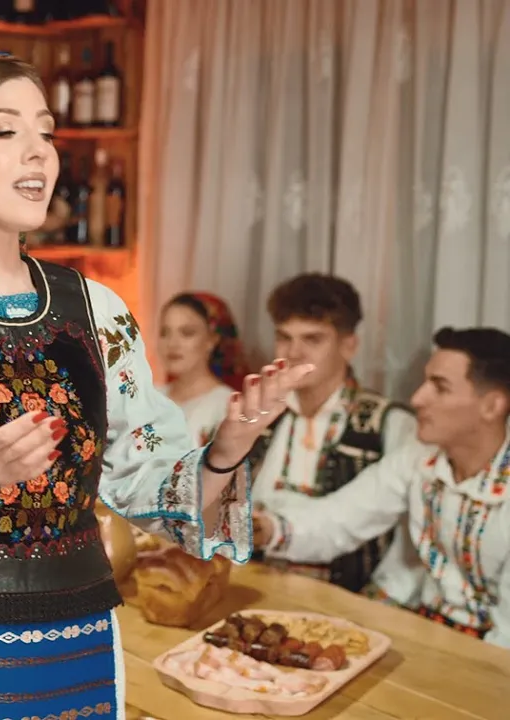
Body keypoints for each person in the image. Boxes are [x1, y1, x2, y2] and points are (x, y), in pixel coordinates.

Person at [0, 50, 310, 719]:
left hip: (76, 646)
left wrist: (227, 450)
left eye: (46, 132)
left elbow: (149, 489)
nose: (38, 152)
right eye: (5, 130)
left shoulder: (99, 311)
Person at [254, 327, 510, 647]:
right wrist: (267, 529)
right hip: (429, 632)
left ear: (492, 406)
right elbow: (341, 517)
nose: (417, 399)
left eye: (440, 387)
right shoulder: (420, 458)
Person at [248, 273, 416, 592]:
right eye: (284, 338)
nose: (293, 353)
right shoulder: (258, 414)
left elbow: (408, 547)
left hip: (348, 599)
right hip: (254, 584)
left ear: (349, 345)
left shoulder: (390, 424)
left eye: (312, 340)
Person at [158, 292, 248, 445]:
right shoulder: (148, 398)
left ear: (211, 340)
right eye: (164, 333)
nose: (172, 344)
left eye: (187, 333)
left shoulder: (228, 406)